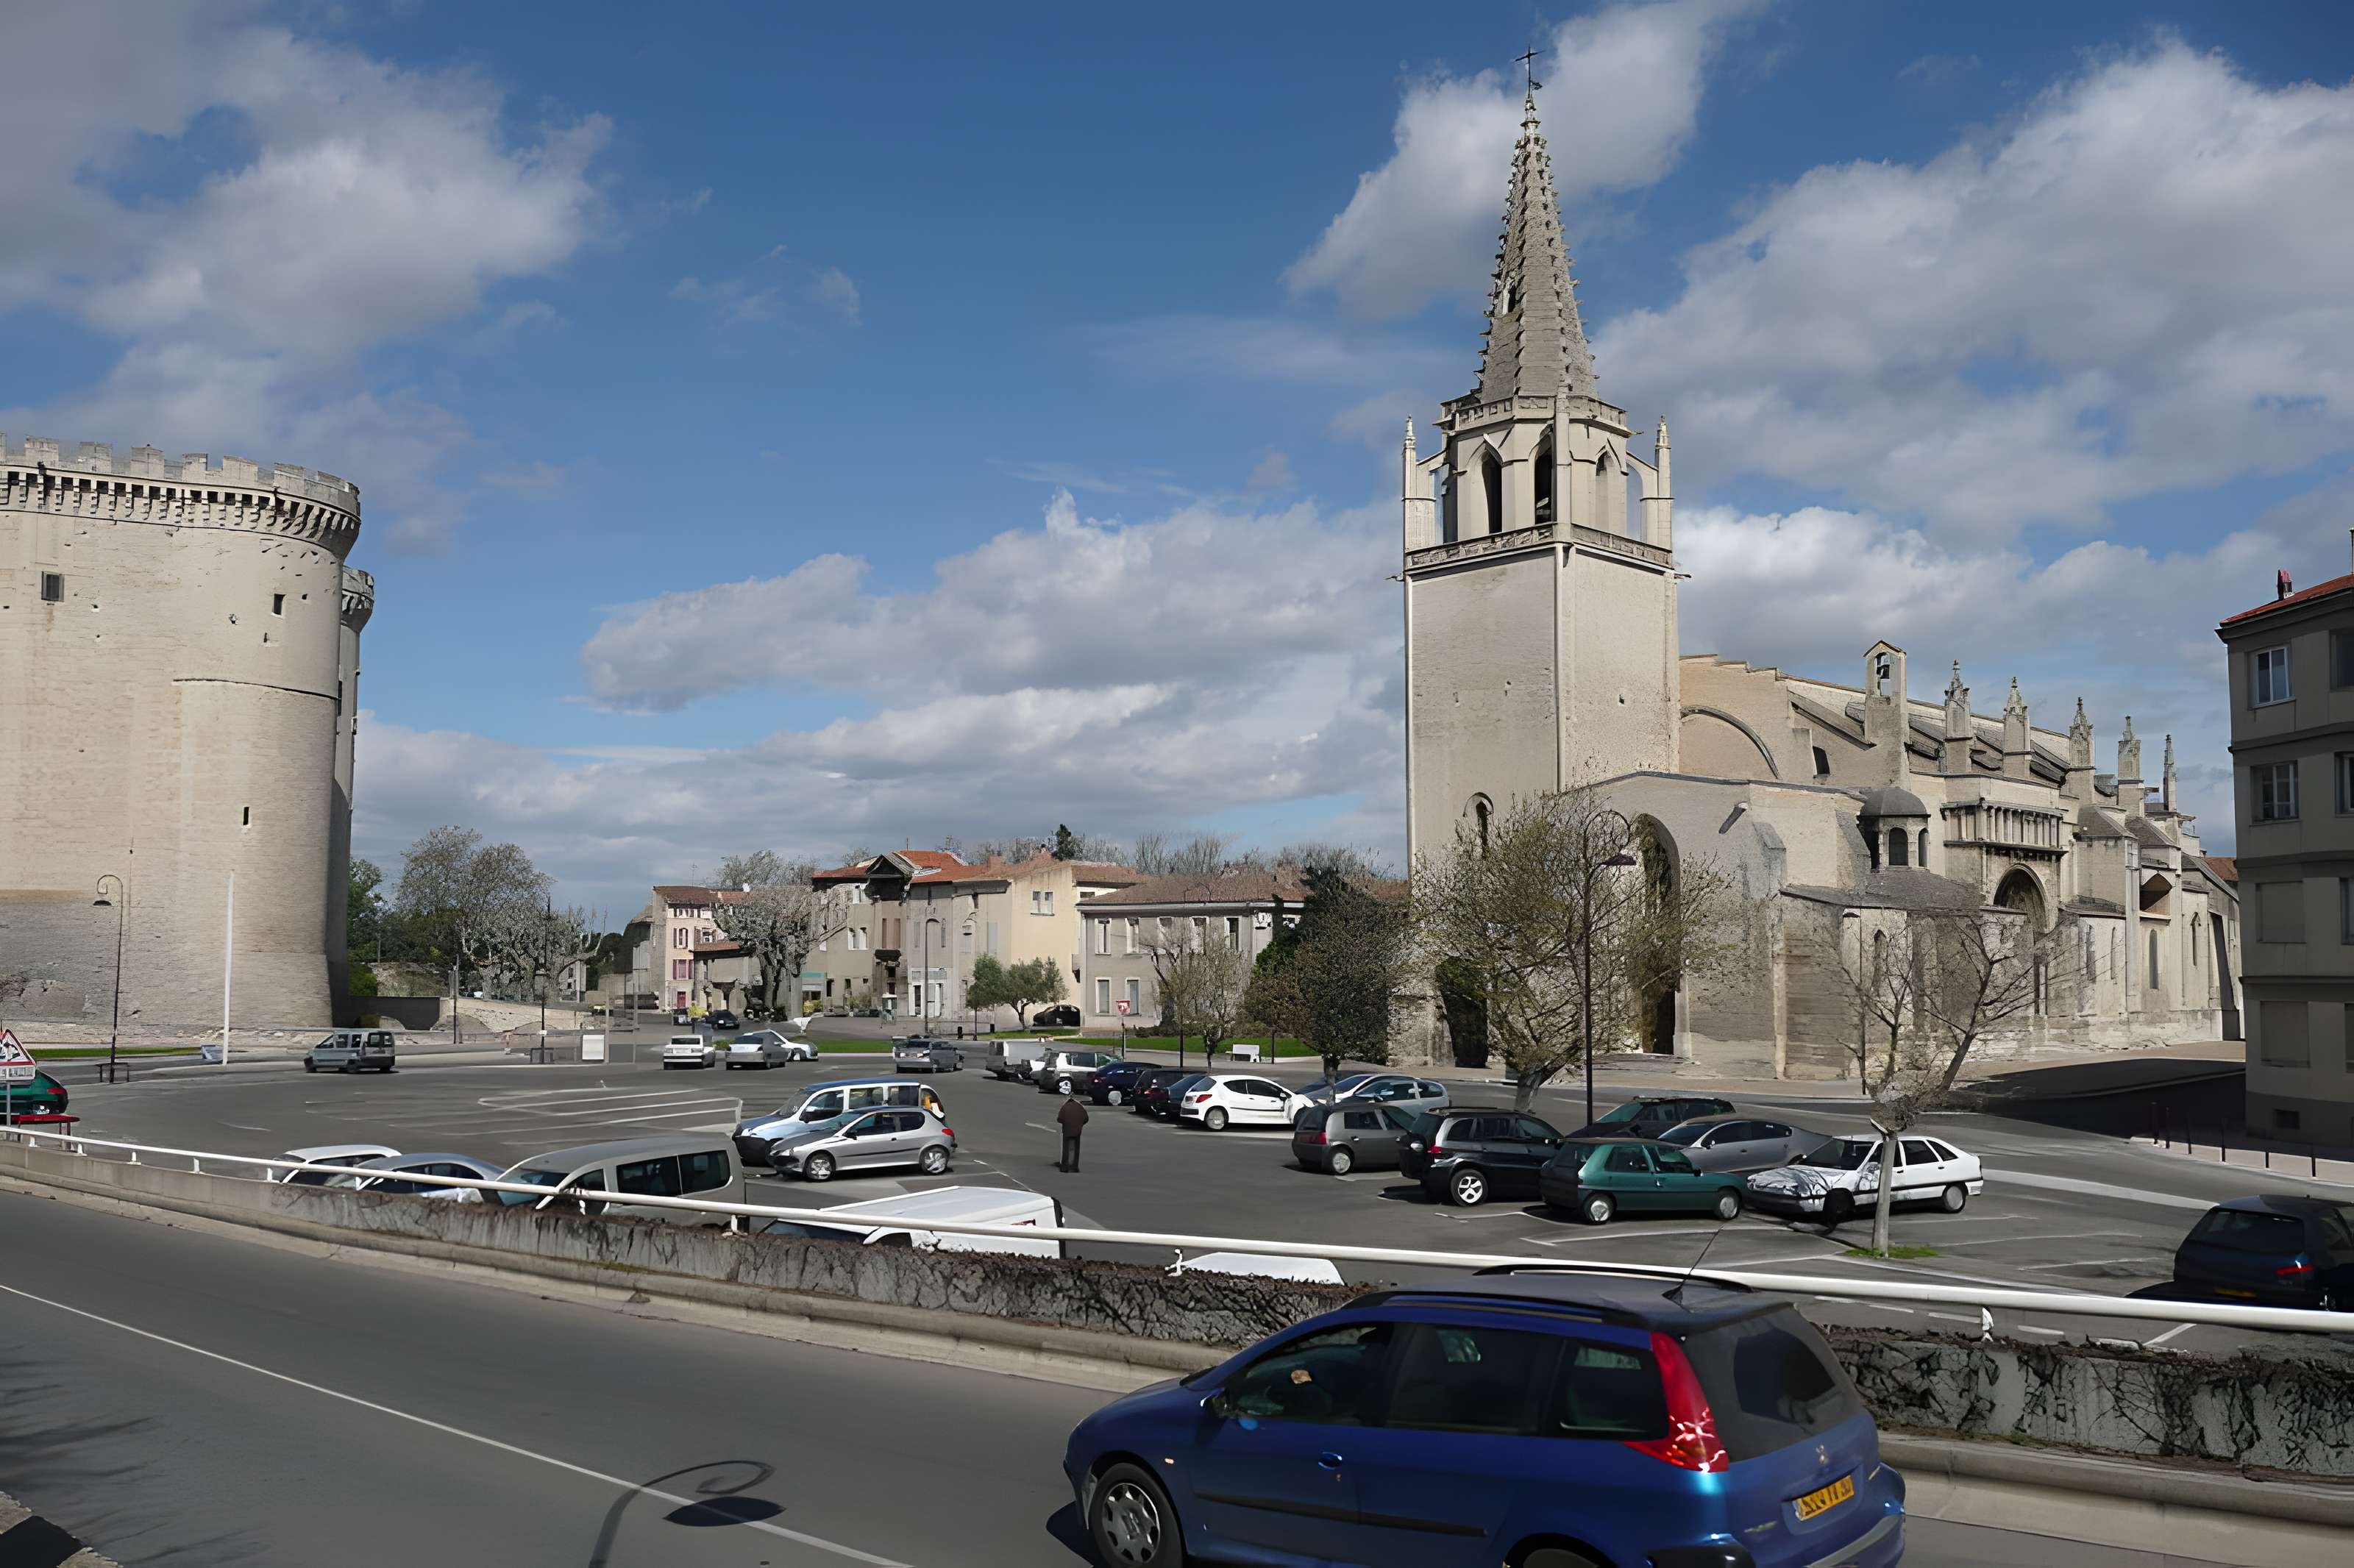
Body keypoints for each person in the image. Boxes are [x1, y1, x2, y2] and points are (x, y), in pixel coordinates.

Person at [1056, 1094, 1089, 1173]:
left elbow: (1060, 1119)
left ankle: (1065, 1167)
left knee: (1066, 1148)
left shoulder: (1065, 1107)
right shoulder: (1080, 1107)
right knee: (1076, 1149)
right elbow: (1086, 1118)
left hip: (1067, 1130)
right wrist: (1079, 1124)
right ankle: (1074, 1167)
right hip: (1077, 1130)